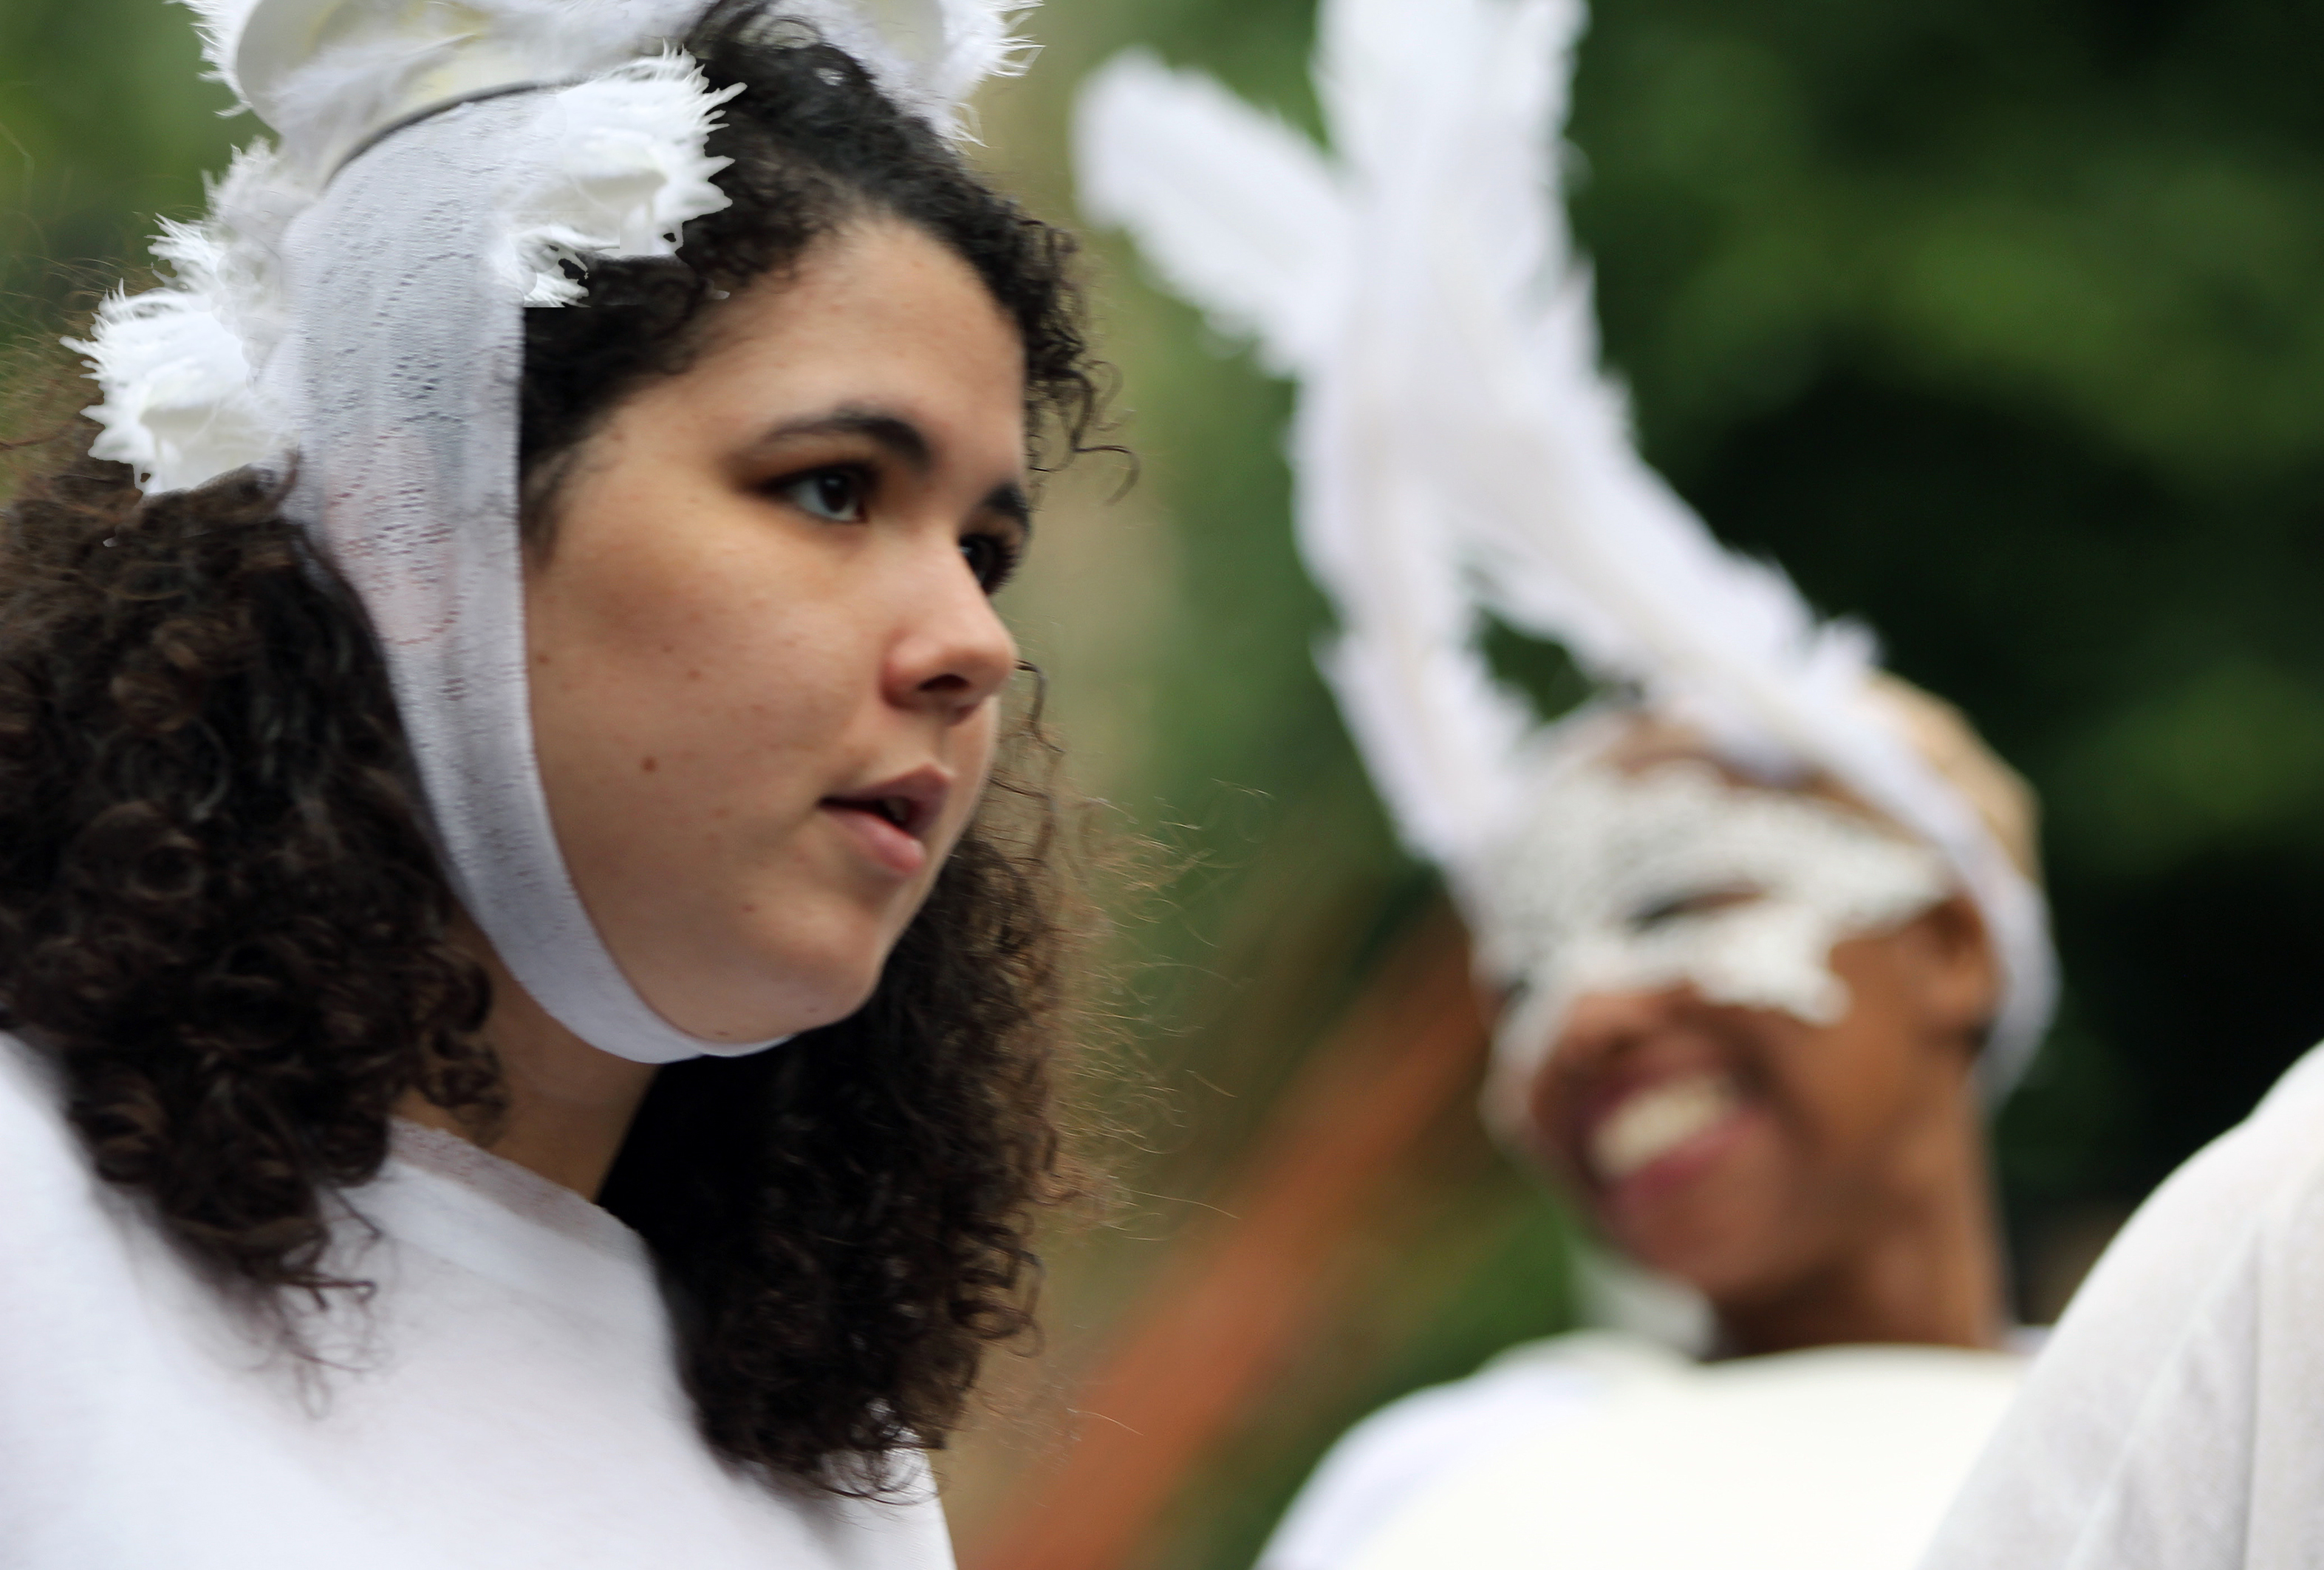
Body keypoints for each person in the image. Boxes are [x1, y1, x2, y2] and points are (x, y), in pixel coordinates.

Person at [0, 1, 1101, 1565]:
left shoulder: (839, 1484)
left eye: (984, 551)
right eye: (833, 487)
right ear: (420, 515)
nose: (974, 644)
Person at [1074, 1, 2059, 1565]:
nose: (1581, 1014)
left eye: (1674, 893)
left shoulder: (2190, 1421)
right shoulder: (1455, 1491)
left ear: (1950, 944)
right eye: (1523, 966)